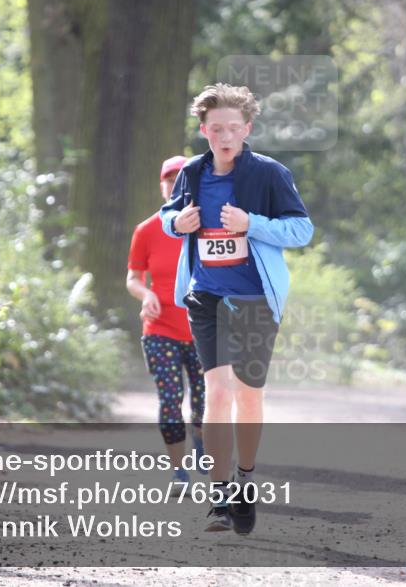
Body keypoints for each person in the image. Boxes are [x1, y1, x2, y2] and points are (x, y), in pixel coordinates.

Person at [160, 83, 314, 534]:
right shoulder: (191, 172)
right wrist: (177, 222)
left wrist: (253, 225)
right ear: (203, 130)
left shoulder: (269, 174)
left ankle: (246, 478)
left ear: (247, 129)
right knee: (217, 393)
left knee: (248, 394)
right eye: (216, 128)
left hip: (253, 301)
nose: (225, 136)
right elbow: (168, 216)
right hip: (206, 297)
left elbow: (301, 230)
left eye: (233, 128)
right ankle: (219, 494)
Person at [127, 155, 206, 484]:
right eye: (169, 180)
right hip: (160, 329)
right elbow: (133, 278)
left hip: (203, 329)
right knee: (170, 397)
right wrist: (147, 296)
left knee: (204, 402)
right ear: (162, 186)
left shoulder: (210, 226)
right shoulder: (147, 230)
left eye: (181, 180)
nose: (175, 185)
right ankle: (178, 469)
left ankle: (202, 442)